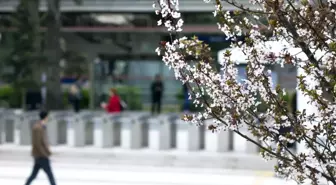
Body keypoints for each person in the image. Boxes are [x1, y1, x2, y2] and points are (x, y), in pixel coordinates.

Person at [25, 110, 56, 185]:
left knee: (34, 175)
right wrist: (45, 154)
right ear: (45, 117)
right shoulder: (38, 128)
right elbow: (38, 143)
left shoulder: (41, 126)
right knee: (50, 175)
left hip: (38, 155)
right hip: (41, 155)